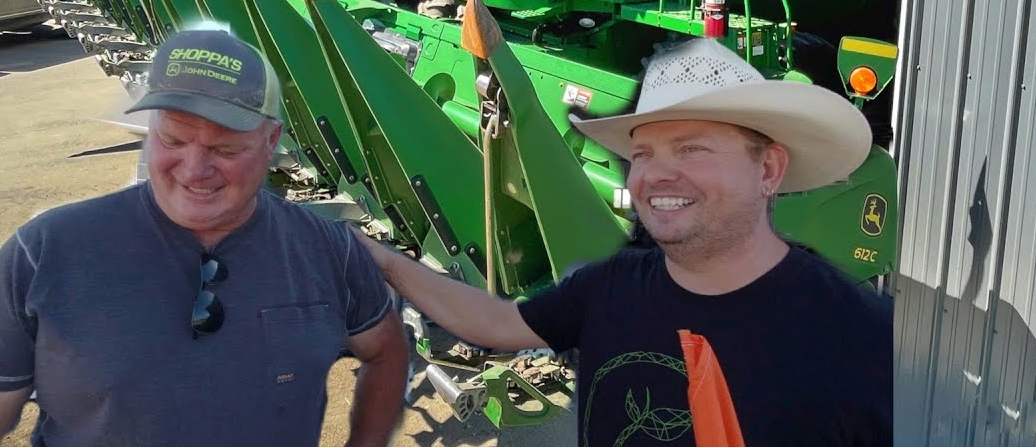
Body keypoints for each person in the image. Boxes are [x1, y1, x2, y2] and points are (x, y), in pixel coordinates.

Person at [358, 37, 892, 445]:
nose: (657, 176)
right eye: (642, 155)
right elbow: (497, 324)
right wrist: (381, 260)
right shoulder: (611, 285)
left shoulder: (852, 334)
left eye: (692, 149)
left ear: (768, 170)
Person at [0, 26, 408, 447]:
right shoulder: (45, 253)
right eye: (173, 140)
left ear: (272, 141)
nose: (194, 170)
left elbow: (386, 353)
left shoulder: (328, 249)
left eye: (224, 148)